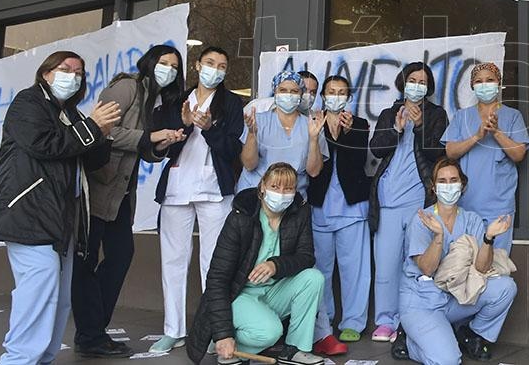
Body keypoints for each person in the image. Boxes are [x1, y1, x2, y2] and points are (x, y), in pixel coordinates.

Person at [0, 51, 120, 365]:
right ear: (46, 73)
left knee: (59, 299)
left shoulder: (70, 114)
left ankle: (42, 359)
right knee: (38, 293)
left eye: (79, 72)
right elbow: (45, 145)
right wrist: (92, 127)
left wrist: (103, 133)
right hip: (29, 214)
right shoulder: (28, 102)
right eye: (65, 68)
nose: (72, 76)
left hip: (62, 221)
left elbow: (92, 161)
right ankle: (18, 360)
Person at [71, 45, 188, 358]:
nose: (169, 70)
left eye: (174, 66)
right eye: (164, 63)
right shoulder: (127, 87)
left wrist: (161, 144)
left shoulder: (156, 100)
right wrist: (150, 137)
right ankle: (91, 334)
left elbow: (144, 150)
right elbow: (101, 129)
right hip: (99, 187)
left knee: (121, 255)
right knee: (86, 262)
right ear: (149, 63)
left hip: (121, 193)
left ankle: (93, 330)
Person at [149, 46, 245, 353]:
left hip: (214, 188)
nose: (215, 69)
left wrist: (209, 128)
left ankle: (215, 330)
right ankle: (173, 329)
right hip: (177, 186)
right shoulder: (176, 100)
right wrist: (186, 125)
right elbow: (161, 146)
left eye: (222, 65)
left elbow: (233, 150)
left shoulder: (232, 103)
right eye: (210, 63)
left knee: (215, 262)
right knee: (173, 260)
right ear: (197, 65)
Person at [187, 162, 329, 365]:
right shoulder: (240, 218)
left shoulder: (299, 212)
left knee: (313, 278)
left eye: (288, 188)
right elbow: (217, 279)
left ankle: (295, 350)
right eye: (275, 187)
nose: (281, 194)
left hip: (273, 291)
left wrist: (275, 265)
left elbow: (306, 256)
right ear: (262, 187)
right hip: (239, 294)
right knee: (269, 332)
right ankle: (228, 344)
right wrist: (223, 334)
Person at [395, 157, 517, 364]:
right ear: (434, 188)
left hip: (455, 297)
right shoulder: (422, 219)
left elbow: (482, 268)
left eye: (453, 180)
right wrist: (438, 237)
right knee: (449, 361)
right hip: (423, 302)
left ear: (462, 185)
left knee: (505, 287)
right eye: (442, 181)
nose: (448, 186)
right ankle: (410, 341)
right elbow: (427, 268)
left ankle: (470, 334)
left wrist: (489, 237)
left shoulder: (471, 219)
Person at [368, 62, 449, 343]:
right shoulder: (388, 113)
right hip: (388, 200)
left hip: (419, 202)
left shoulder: (436, 114)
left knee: (414, 265)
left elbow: (438, 153)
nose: (417, 85)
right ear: (403, 83)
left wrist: (419, 126)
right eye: (412, 80)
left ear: (429, 87)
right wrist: (397, 128)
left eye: (422, 81)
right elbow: (377, 149)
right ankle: (385, 321)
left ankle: (408, 321)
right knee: (386, 266)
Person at [309, 75, 371, 349]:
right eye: (331, 92)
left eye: (341, 92)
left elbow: (358, 162)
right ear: (323, 96)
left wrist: (346, 133)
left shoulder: (360, 125)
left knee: (354, 270)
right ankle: (324, 322)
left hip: (351, 207)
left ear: (348, 97)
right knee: (320, 270)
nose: (336, 96)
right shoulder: (312, 121)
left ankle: (353, 323)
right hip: (320, 206)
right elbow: (311, 166)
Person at [444, 62, 529, 253]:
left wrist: (497, 133)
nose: (484, 84)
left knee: (496, 262)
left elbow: (519, 154)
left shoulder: (513, 116)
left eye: (490, 80)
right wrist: (476, 136)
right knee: (465, 259)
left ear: (499, 83)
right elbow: (450, 152)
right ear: (472, 86)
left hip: (498, 207)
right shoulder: (462, 116)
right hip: (466, 204)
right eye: (479, 81)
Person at [237, 70, 327, 198]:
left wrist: (314, 139)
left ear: (301, 94)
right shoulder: (258, 121)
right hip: (255, 194)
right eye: (283, 90)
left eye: (294, 91)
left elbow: (314, 171)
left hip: (292, 198)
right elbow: (249, 165)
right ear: (275, 92)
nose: (288, 95)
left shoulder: (312, 125)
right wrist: (252, 134)